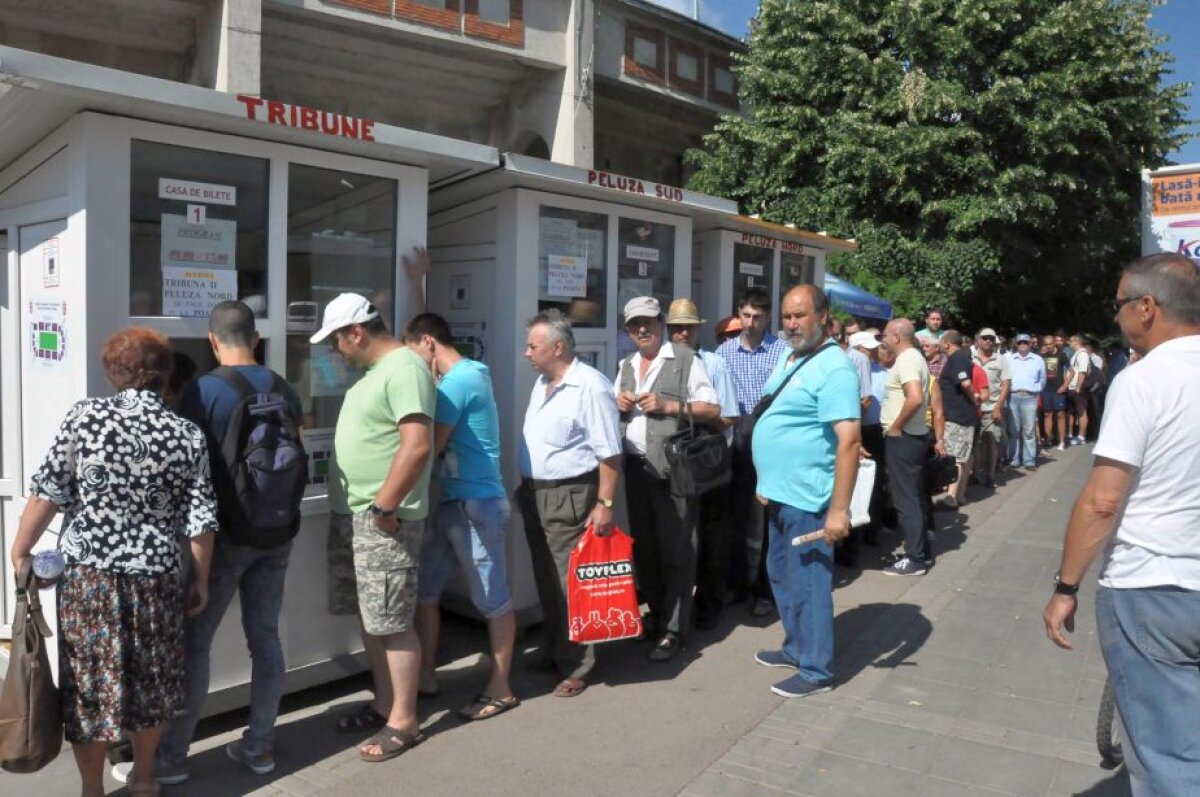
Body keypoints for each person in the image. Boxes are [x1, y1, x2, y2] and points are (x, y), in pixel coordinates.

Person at [10, 327, 217, 797]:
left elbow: (49, 490)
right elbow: (200, 517)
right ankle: (143, 780)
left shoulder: (85, 418)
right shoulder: (185, 434)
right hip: (156, 578)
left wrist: (20, 549)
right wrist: (199, 577)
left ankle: (91, 789)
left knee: (89, 687)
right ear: (165, 375)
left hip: (89, 580)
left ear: (114, 372)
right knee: (150, 683)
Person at [120, 302, 305, 785]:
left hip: (223, 538)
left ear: (212, 340)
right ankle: (259, 747)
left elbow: (187, 466)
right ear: (257, 338)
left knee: (194, 646)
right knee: (265, 640)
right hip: (277, 531)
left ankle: (173, 759)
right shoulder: (283, 387)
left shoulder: (204, 391)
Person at [1043, 253, 1200, 797]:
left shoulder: (1143, 380)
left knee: (1167, 757)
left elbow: (1102, 502)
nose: (1115, 318)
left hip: (1153, 588)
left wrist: (1065, 587)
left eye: (1118, 305)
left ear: (1148, 307)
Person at [312, 293, 435, 762]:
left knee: (392, 621)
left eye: (337, 341)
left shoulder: (404, 368)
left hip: (381, 518)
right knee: (372, 617)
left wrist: (385, 506)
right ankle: (386, 704)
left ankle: (404, 721)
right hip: (357, 514)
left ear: (357, 333)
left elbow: (417, 445)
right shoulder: (376, 372)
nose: (335, 351)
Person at [403, 313, 518, 721]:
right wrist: (416, 285)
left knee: (494, 599)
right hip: (454, 503)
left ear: (429, 343)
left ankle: (501, 688)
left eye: (415, 352)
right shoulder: (472, 371)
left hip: (475, 505)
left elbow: (428, 448)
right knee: (428, 592)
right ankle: (426, 677)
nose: (414, 364)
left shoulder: (456, 385)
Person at [752, 285, 860, 697]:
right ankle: (796, 648)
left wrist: (839, 510)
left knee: (810, 584)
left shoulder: (835, 369)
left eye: (800, 315)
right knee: (781, 574)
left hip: (811, 500)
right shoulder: (791, 355)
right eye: (787, 316)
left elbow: (848, 440)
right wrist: (766, 480)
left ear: (823, 316)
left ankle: (816, 670)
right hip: (780, 494)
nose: (791, 324)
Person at [518, 310, 622, 698]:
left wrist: (605, 503)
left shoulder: (590, 386)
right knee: (546, 578)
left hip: (570, 495)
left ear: (557, 347)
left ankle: (578, 663)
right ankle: (553, 646)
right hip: (536, 493)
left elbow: (610, 454)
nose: (527, 352)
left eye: (534, 345)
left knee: (571, 583)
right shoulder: (543, 383)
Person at [616, 297, 720, 660]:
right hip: (636, 470)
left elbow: (712, 409)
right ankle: (657, 618)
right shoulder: (625, 364)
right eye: (633, 325)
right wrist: (620, 405)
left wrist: (669, 406)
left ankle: (675, 631)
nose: (641, 330)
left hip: (674, 473)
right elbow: (616, 411)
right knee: (645, 551)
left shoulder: (685, 359)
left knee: (677, 550)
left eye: (647, 322)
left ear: (661, 323)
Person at [665, 298, 740, 630]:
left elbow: (727, 415)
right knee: (678, 536)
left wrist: (691, 422)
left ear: (697, 330)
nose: (682, 333)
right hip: (671, 463)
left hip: (706, 462)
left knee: (711, 534)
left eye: (688, 327)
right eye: (676, 328)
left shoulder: (713, 364)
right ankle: (674, 607)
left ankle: (709, 602)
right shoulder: (659, 364)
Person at [717, 288, 789, 616]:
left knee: (767, 520)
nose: (751, 321)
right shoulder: (725, 352)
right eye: (746, 315)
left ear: (768, 317)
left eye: (757, 316)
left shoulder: (782, 351)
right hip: (735, 440)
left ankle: (764, 589)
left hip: (771, 441)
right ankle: (733, 583)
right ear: (738, 314)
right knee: (733, 517)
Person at [879, 319, 932, 576]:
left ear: (897, 336)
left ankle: (915, 558)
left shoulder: (908, 359)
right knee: (915, 496)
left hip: (905, 438)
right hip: (914, 436)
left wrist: (897, 425)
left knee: (906, 499)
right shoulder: (914, 358)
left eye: (886, 335)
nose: (883, 340)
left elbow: (915, 397)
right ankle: (920, 551)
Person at [937, 331, 977, 508]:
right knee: (963, 456)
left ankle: (951, 497)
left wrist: (974, 399)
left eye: (940, 342)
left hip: (958, 416)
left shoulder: (957, 358)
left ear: (947, 344)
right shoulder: (960, 358)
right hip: (961, 415)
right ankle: (959, 495)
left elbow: (966, 383)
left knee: (956, 457)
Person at [971, 328, 1011, 486]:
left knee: (992, 441)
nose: (988, 341)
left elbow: (1006, 386)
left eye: (991, 339)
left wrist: (997, 408)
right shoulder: (970, 358)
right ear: (978, 340)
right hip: (974, 406)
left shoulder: (1001, 360)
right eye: (985, 338)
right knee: (975, 443)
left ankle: (990, 475)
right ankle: (975, 473)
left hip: (991, 407)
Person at [1007, 334, 1045, 471]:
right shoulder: (1009, 358)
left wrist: (1035, 390)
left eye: (1025, 342)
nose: (1023, 344)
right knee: (1014, 430)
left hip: (1029, 397)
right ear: (1016, 344)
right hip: (1012, 396)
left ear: (1030, 344)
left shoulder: (1038, 359)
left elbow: (1042, 379)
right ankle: (1014, 460)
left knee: (1029, 431)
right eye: (1020, 342)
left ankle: (1029, 461)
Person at [1039, 335, 1070, 450]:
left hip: (1058, 390)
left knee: (1060, 415)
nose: (1048, 346)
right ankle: (1048, 439)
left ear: (1054, 344)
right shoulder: (1041, 356)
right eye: (1046, 344)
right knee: (1047, 414)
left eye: (1050, 344)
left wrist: (1065, 385)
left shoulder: (1061, 355)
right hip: (1045, 389)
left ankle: (1061, 441)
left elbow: (1071, 371)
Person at [1064, 334, 1091, 444]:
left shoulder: (1083, 354)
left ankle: (1081, 437)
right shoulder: (1077, 354)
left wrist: (1079, 386)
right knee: (1072, 411)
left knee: (1081, 411)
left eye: (1070, 340)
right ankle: (1070, 434)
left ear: (1077, 341)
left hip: (1077, 387)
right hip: (1072, 386)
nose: (1069, 343)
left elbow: (1082, 371)